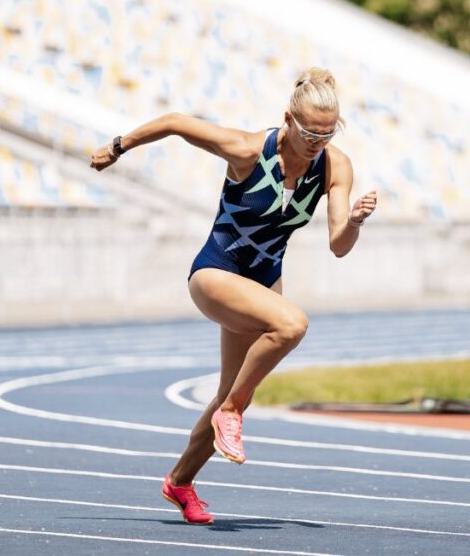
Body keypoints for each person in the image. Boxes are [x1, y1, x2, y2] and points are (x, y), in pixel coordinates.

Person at [90, 67, 377, 525]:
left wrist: (356, 222)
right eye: (308, 133)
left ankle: (180, 482)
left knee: (232, 385)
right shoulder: (247, 149)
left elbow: (338, 245)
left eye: (327, 134)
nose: (317, 142)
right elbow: (177, 122)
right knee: (291, 325)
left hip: (263, 279)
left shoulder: (334, 166)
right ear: (287, 118)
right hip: (216, 272)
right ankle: (231, 411)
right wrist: (118, 146)